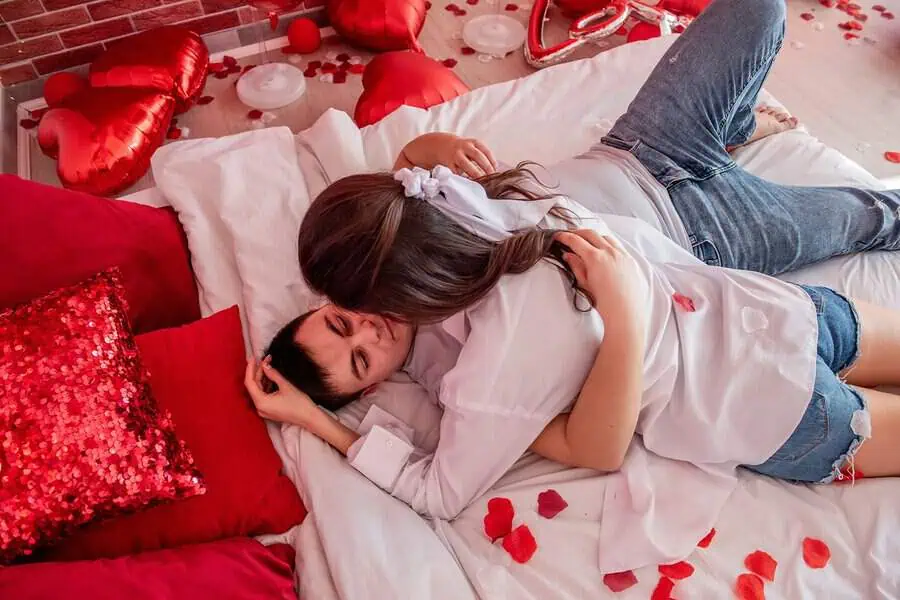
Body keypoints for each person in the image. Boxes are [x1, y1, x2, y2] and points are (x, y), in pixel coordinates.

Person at [244, 0, 900, 555]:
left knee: (757, 12)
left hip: (781, 305)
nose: (370, 326)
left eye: (341, 315)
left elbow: (409, 180)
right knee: (876, 214)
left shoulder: (448, 219)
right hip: (767, 389)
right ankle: (740, 152)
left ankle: (731, 130)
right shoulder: (484, 372)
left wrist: (428, 152)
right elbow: (475, 477)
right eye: (363, 358)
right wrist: (316, 420)